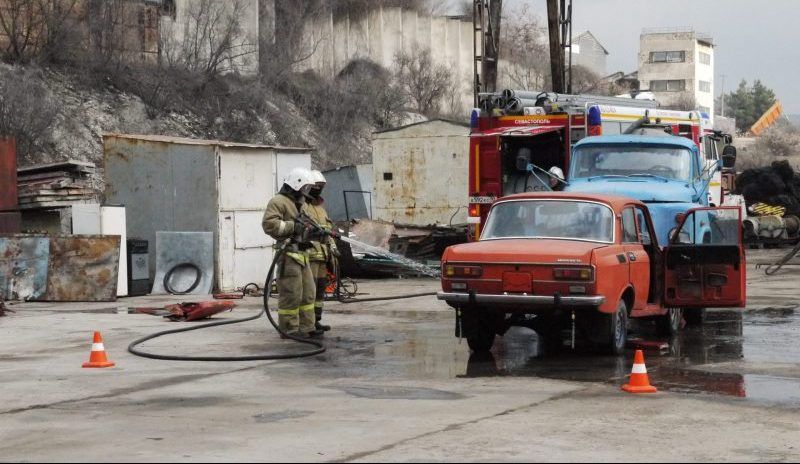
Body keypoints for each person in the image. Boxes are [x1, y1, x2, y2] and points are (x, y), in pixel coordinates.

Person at [262, 167, 320, 338]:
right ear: (296, 184)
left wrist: (316, 231)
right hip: (288, 255)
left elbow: (308, 225)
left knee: (309, 293)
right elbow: (269, 224)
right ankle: (289, 329)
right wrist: (293, 226)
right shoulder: (278, 201)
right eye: (305, 187)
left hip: (303, 255)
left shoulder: (301, 203)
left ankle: (307, 327)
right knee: (291, 294)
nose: (306, 191)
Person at [303, 170, 339, 333]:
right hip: (309, 256)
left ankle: (316, 320)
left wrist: (333, 247)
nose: (318, 189)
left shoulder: (321, 208)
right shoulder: (303, 205)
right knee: (308, 293)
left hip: (322, 256)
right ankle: (306, 323)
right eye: (316, 186)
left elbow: (327, 229)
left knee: (319, 292)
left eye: (321, 186)